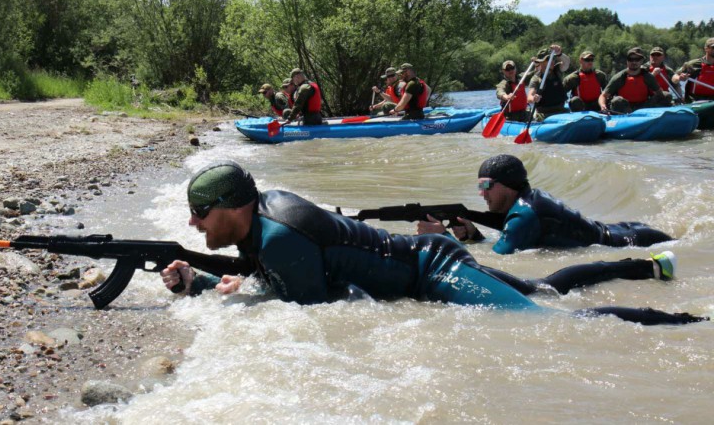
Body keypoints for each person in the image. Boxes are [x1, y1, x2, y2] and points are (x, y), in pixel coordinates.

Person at [160, 161, 706, 326]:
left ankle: (687, 323)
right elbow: (273, 280)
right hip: (428, 263)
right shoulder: (264, 216)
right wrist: (204, 279)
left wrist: (216, 285)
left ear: (234, 208)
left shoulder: (279, 237)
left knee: (549, 319)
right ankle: (646, 267)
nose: (193, 223)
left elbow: (307, 312)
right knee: (545, 289)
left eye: (200, 214)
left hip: (433, 270)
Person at [416, 154, 672, 256]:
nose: (481, 194)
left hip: (636, 241)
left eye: (485, 186)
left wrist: (443, 239)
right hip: (626, 231)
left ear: (506, 184)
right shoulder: (526, 201)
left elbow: (495, 264)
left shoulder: (524, 215)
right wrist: (474, 234)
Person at [600, 47, 671, 114]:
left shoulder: (648, 76)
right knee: (617, 100)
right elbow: (603, 96)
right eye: (631, 59)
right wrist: (603, 105)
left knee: (666, 95)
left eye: (637, 59)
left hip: (644, 107)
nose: (634, 62)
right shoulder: (619, 77)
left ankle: (663, 119)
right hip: (625, 108)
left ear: (641, 61)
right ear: (627, 61)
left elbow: (659, 93)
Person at [527, 44, 571, 120]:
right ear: (541, 62)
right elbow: (529, 97)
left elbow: (567, 63)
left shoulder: (557, 70)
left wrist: (559, 53)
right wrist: (534, 98)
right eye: (548, 59)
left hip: (560, 110)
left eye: (552, 58)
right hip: (545, 113)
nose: (552, 61)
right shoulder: (536, 78)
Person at [672, 37, 714, 102]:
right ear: (706, 49)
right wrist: (679, 78)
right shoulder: (693, 64)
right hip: (696, 100)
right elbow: (674, 78)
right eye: (713, 48)